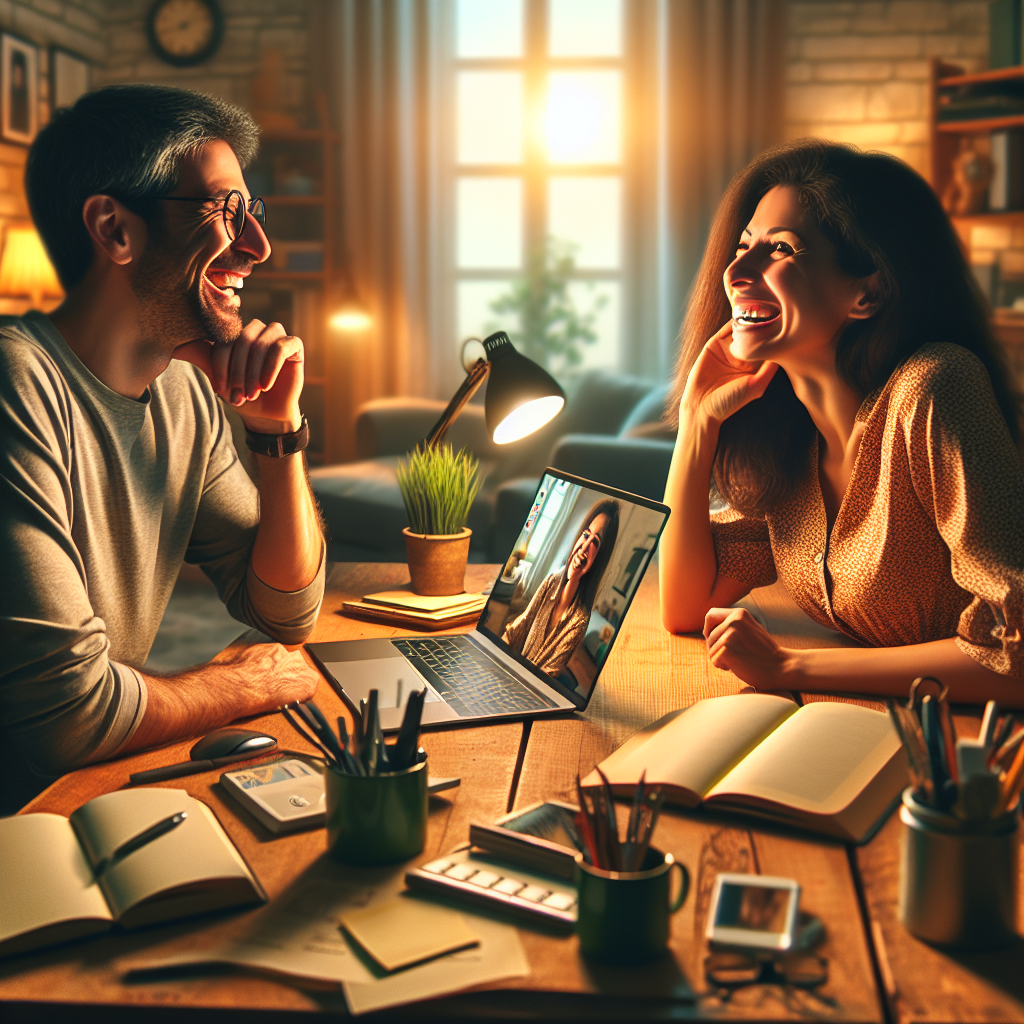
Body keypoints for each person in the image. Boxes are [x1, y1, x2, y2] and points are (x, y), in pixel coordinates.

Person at [1, 85, 326, 793]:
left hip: (91, 780)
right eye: (225, 212)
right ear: (115, 229)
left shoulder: (183, 391)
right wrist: (237, 687)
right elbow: (66, 715)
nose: (257, 246)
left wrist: (278, 434)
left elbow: (285, 609)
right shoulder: (14, 383)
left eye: (254, 212)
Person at [660, 139, 1024, 706]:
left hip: (970, 750)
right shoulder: (789, 436)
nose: (735, 271)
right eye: (744, 245)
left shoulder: (934, 389)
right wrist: (695, 424)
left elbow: (1016, 655)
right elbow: (687, 607)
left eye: (779, 249)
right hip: (865, 719)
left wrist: (792, 667)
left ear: (869, 291)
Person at [503, 500, 620, 678]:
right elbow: (520, 625)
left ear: (600, 557)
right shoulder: (551, 582)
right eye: (586, 534)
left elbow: (548, 674)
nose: (585, 546)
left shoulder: (579, 621)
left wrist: (575, 577)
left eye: (595, 542)